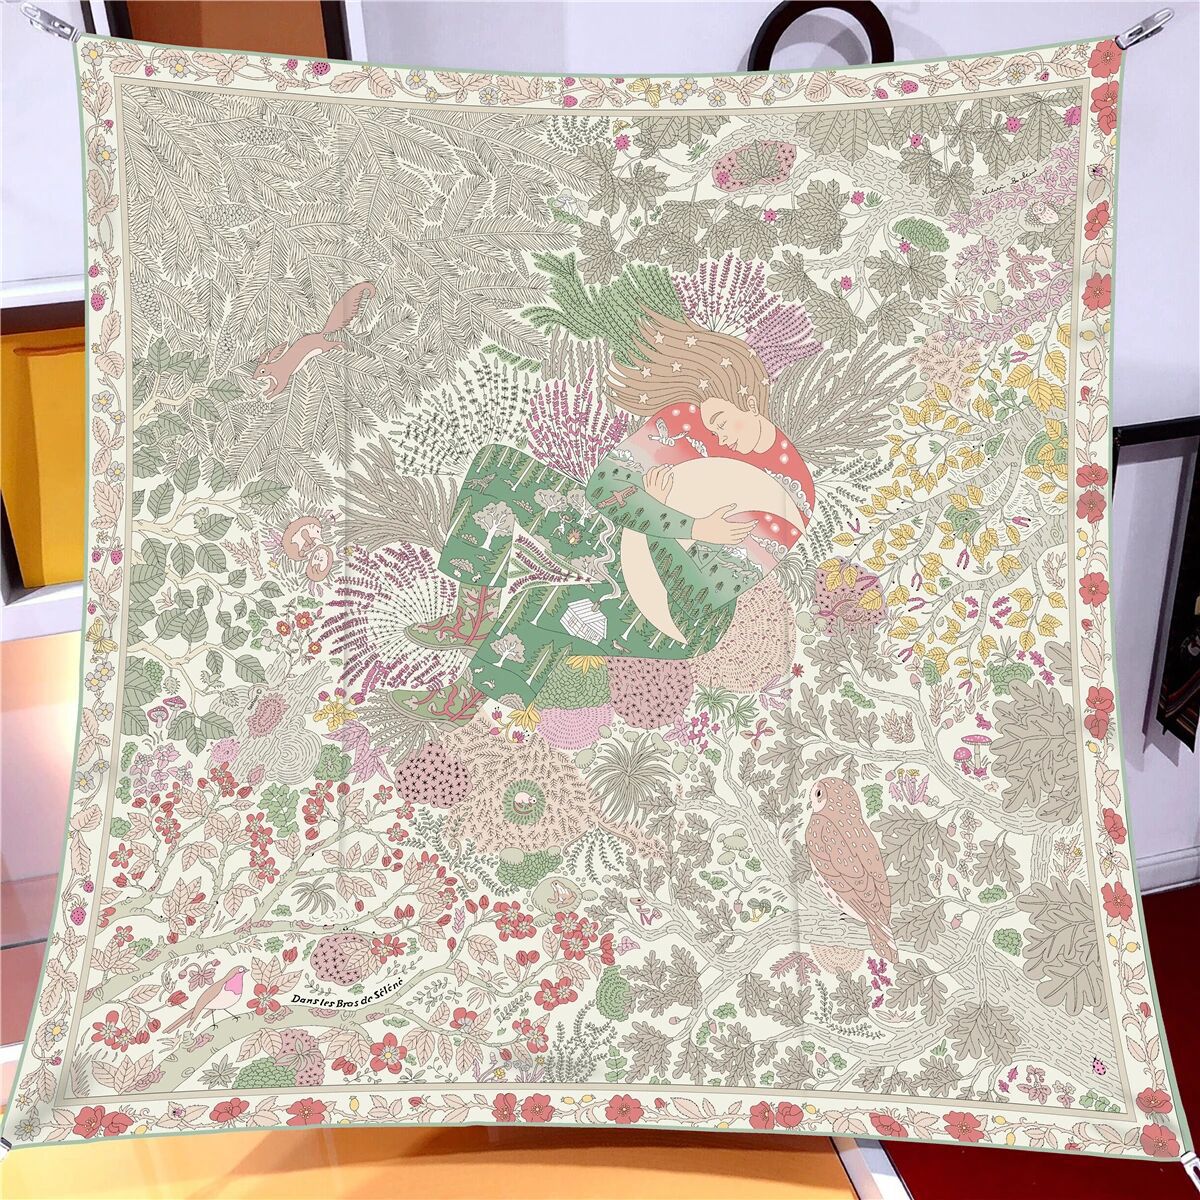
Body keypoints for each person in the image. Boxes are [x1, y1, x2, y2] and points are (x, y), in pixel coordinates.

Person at [398, 304, 815, 723]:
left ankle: (463, 703)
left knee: (538, 604)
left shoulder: (788, 495)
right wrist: (681, 522)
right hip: (618, 538)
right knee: (498, 468)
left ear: (749, 401)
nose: (717, 435)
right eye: (711, 423)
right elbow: (604, 489)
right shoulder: (687, 419)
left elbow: (697, 591)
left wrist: (661, 518)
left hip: (672, 616)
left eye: (722, 421)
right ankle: (473, 617)